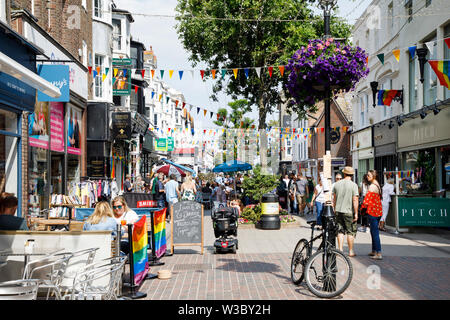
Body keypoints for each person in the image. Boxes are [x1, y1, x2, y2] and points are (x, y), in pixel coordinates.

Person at [332, 166, 359, 257]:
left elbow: (334, 199)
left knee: (340, 231)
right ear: (352, 175)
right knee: (350, 231)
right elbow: (355, 200)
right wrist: (356, 213)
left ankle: (340, 250)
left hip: (338, 211)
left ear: (344, 174)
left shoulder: (337, 184)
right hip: (348, 211)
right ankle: (351, 251)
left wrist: (334, 208)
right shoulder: (353, 185)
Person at [361, 170, 383, 260]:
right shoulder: (377, 184)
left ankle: (378, 253)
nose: (367, 176)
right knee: (373, 231)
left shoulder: (372, 187)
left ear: (373, 176)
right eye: (367, 175)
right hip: (378, 210)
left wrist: (362, 209)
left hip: (373, 211)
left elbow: (366, 201)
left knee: (375, 232)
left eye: (369, 175)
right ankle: (374, 250)